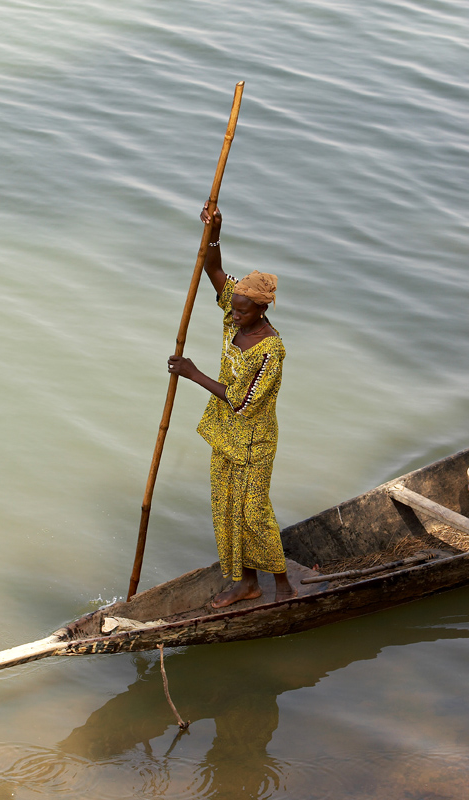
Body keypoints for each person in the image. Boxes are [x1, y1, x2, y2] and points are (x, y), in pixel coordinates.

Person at [167, 201, 295, 609]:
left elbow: (242, 402)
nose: (234, 314)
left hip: (254, 442)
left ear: (261, 309)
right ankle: (245, 583)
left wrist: (192, 372)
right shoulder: (236, 309)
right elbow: (213, 271)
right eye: (233, 307)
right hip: (225, 434)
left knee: (254, 514)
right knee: (226, 508)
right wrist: (215, 231)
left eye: (242, 310)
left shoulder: (271, 352)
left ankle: (285, 587)